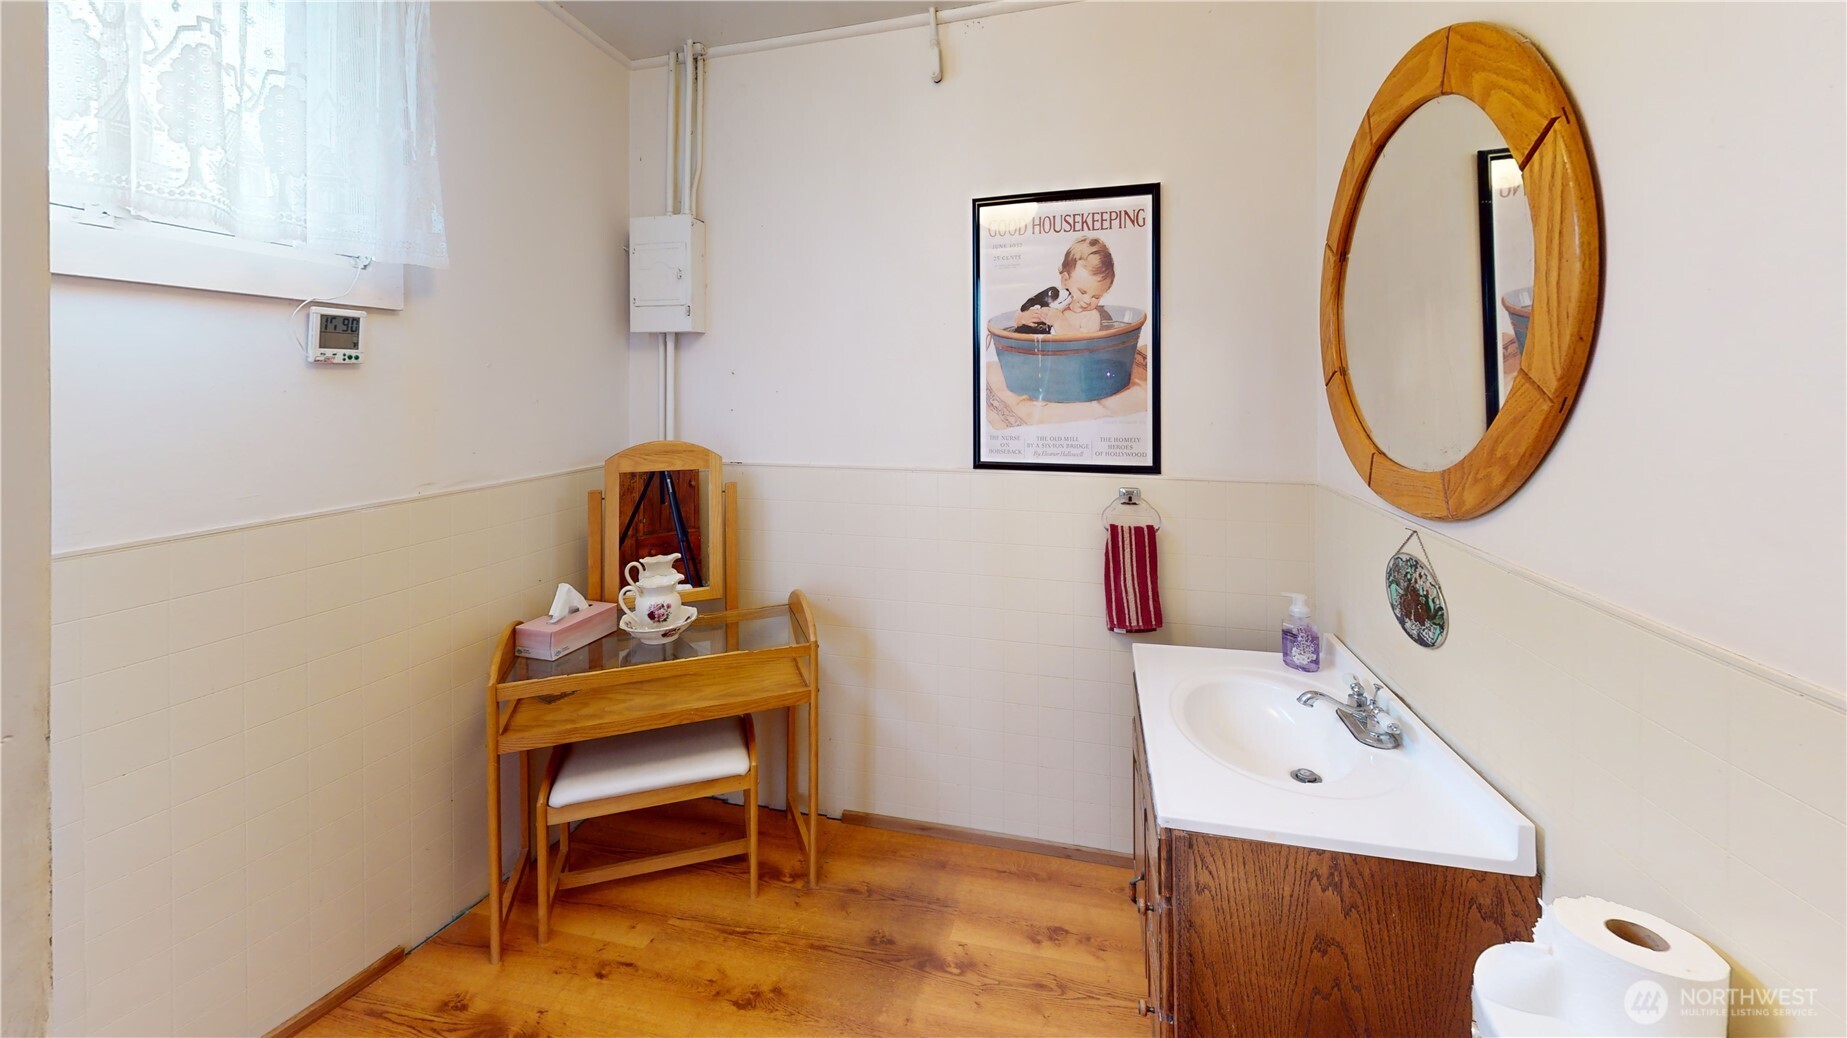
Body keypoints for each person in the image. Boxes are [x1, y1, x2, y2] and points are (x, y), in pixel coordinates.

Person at [1016, 236, 1116, 335]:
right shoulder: (1056, 302)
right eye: (1082, 291)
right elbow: (1018, 319)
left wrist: (1059, 322)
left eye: (1096, 297)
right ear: (1065, 281)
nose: (1087, 301)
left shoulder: (1090, 317)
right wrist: (1024, 318)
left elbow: (1083, 343)